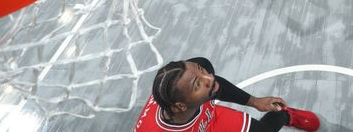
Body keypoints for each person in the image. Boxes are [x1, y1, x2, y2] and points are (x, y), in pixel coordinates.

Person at [135, 57, 320, 131]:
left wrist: (255, 102)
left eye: (200, 71)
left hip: (209, 118)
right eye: (198, 83)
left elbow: (211, 81)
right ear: (180, 106)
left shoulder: (180, 89)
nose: (208, 77)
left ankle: (286, 114)